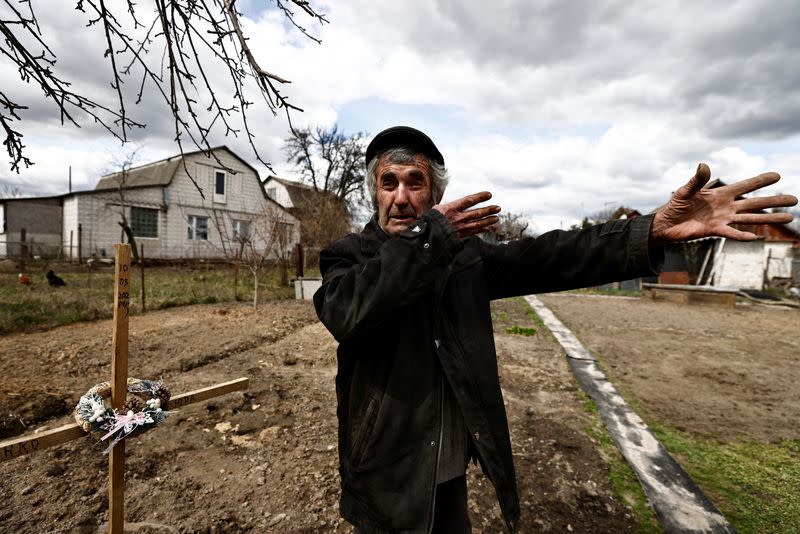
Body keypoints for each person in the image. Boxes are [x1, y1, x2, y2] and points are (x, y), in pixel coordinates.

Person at [312, 126, 797, 533]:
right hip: (385, 477)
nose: (400, 197)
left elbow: (552, 256)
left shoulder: (462, 260)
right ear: (374, 191)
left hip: (448, 468)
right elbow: (347, 311)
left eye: (414, 182)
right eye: (388, 182)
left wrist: (648, 230)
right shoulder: (348, 257)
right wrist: (427, 241)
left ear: (435, 194)